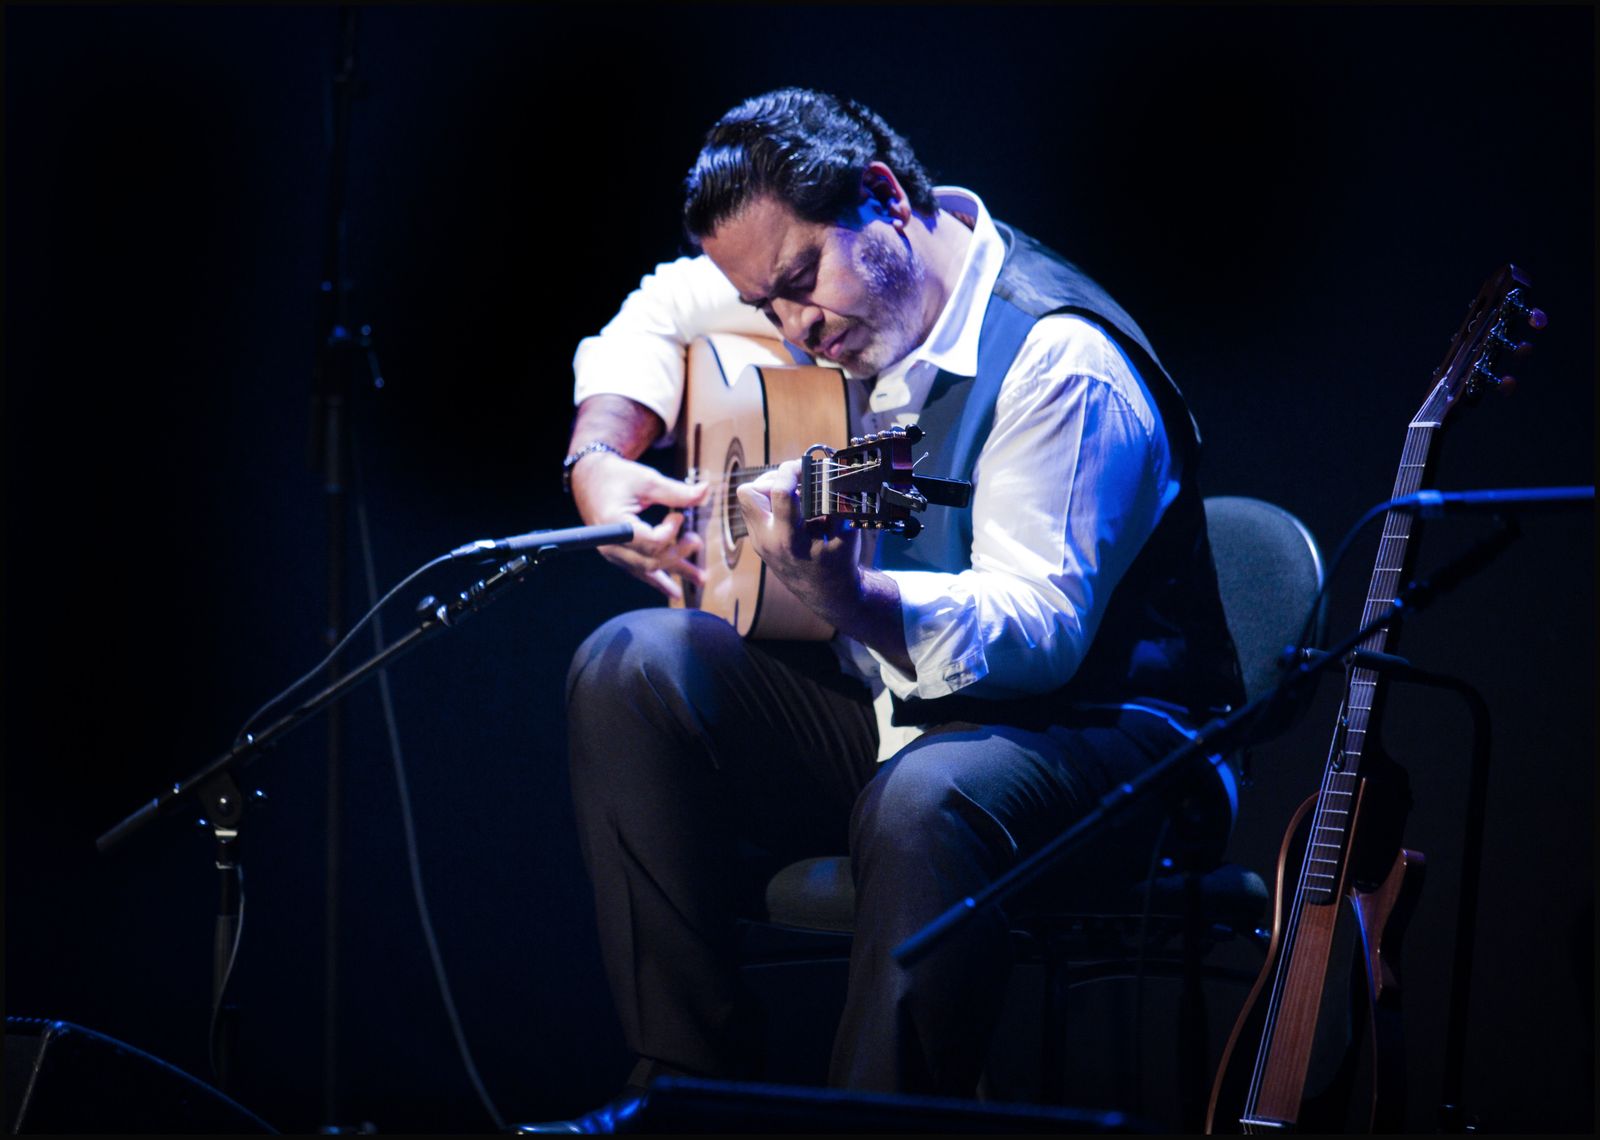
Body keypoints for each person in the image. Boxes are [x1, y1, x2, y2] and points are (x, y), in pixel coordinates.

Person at [531, 87, 1244, 1130]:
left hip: (1110, 742)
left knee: (928, 798)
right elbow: (667, 306)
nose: (792, 329)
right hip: (904, 724)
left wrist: (852, 598)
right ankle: (681, 1095)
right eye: (768, 306)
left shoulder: (1057, 359)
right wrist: (599, 455)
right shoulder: (816, 287)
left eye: (798, 287)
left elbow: (1040, 634)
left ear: (882, 200)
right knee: (630, 665)